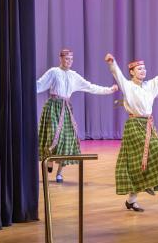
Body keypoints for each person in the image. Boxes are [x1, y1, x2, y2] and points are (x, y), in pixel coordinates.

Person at [105, 53, 158, 212]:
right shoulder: (128, 85)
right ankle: (145, 184)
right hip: (135, 125)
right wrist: (112, 63)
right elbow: (117, 74)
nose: (143, 71)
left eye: (144, 68)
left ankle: (131, 200)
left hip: (148, 124)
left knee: (155, 153)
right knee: (140, 159)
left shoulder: (150, 85)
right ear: (132, 72)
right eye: (139, 69)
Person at [37, 49, 117, 183]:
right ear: (61, 59)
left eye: (71, 59)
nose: (69, 61)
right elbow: (39, 84)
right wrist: (23, 88)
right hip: (53, 107)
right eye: (66, 58)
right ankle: (49, 161)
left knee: (66, 139)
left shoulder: (74, 76)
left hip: (66, 109)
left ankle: (59, 173)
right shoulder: (54, 72)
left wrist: (109, 90)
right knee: (52, 136)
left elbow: (90, 87)